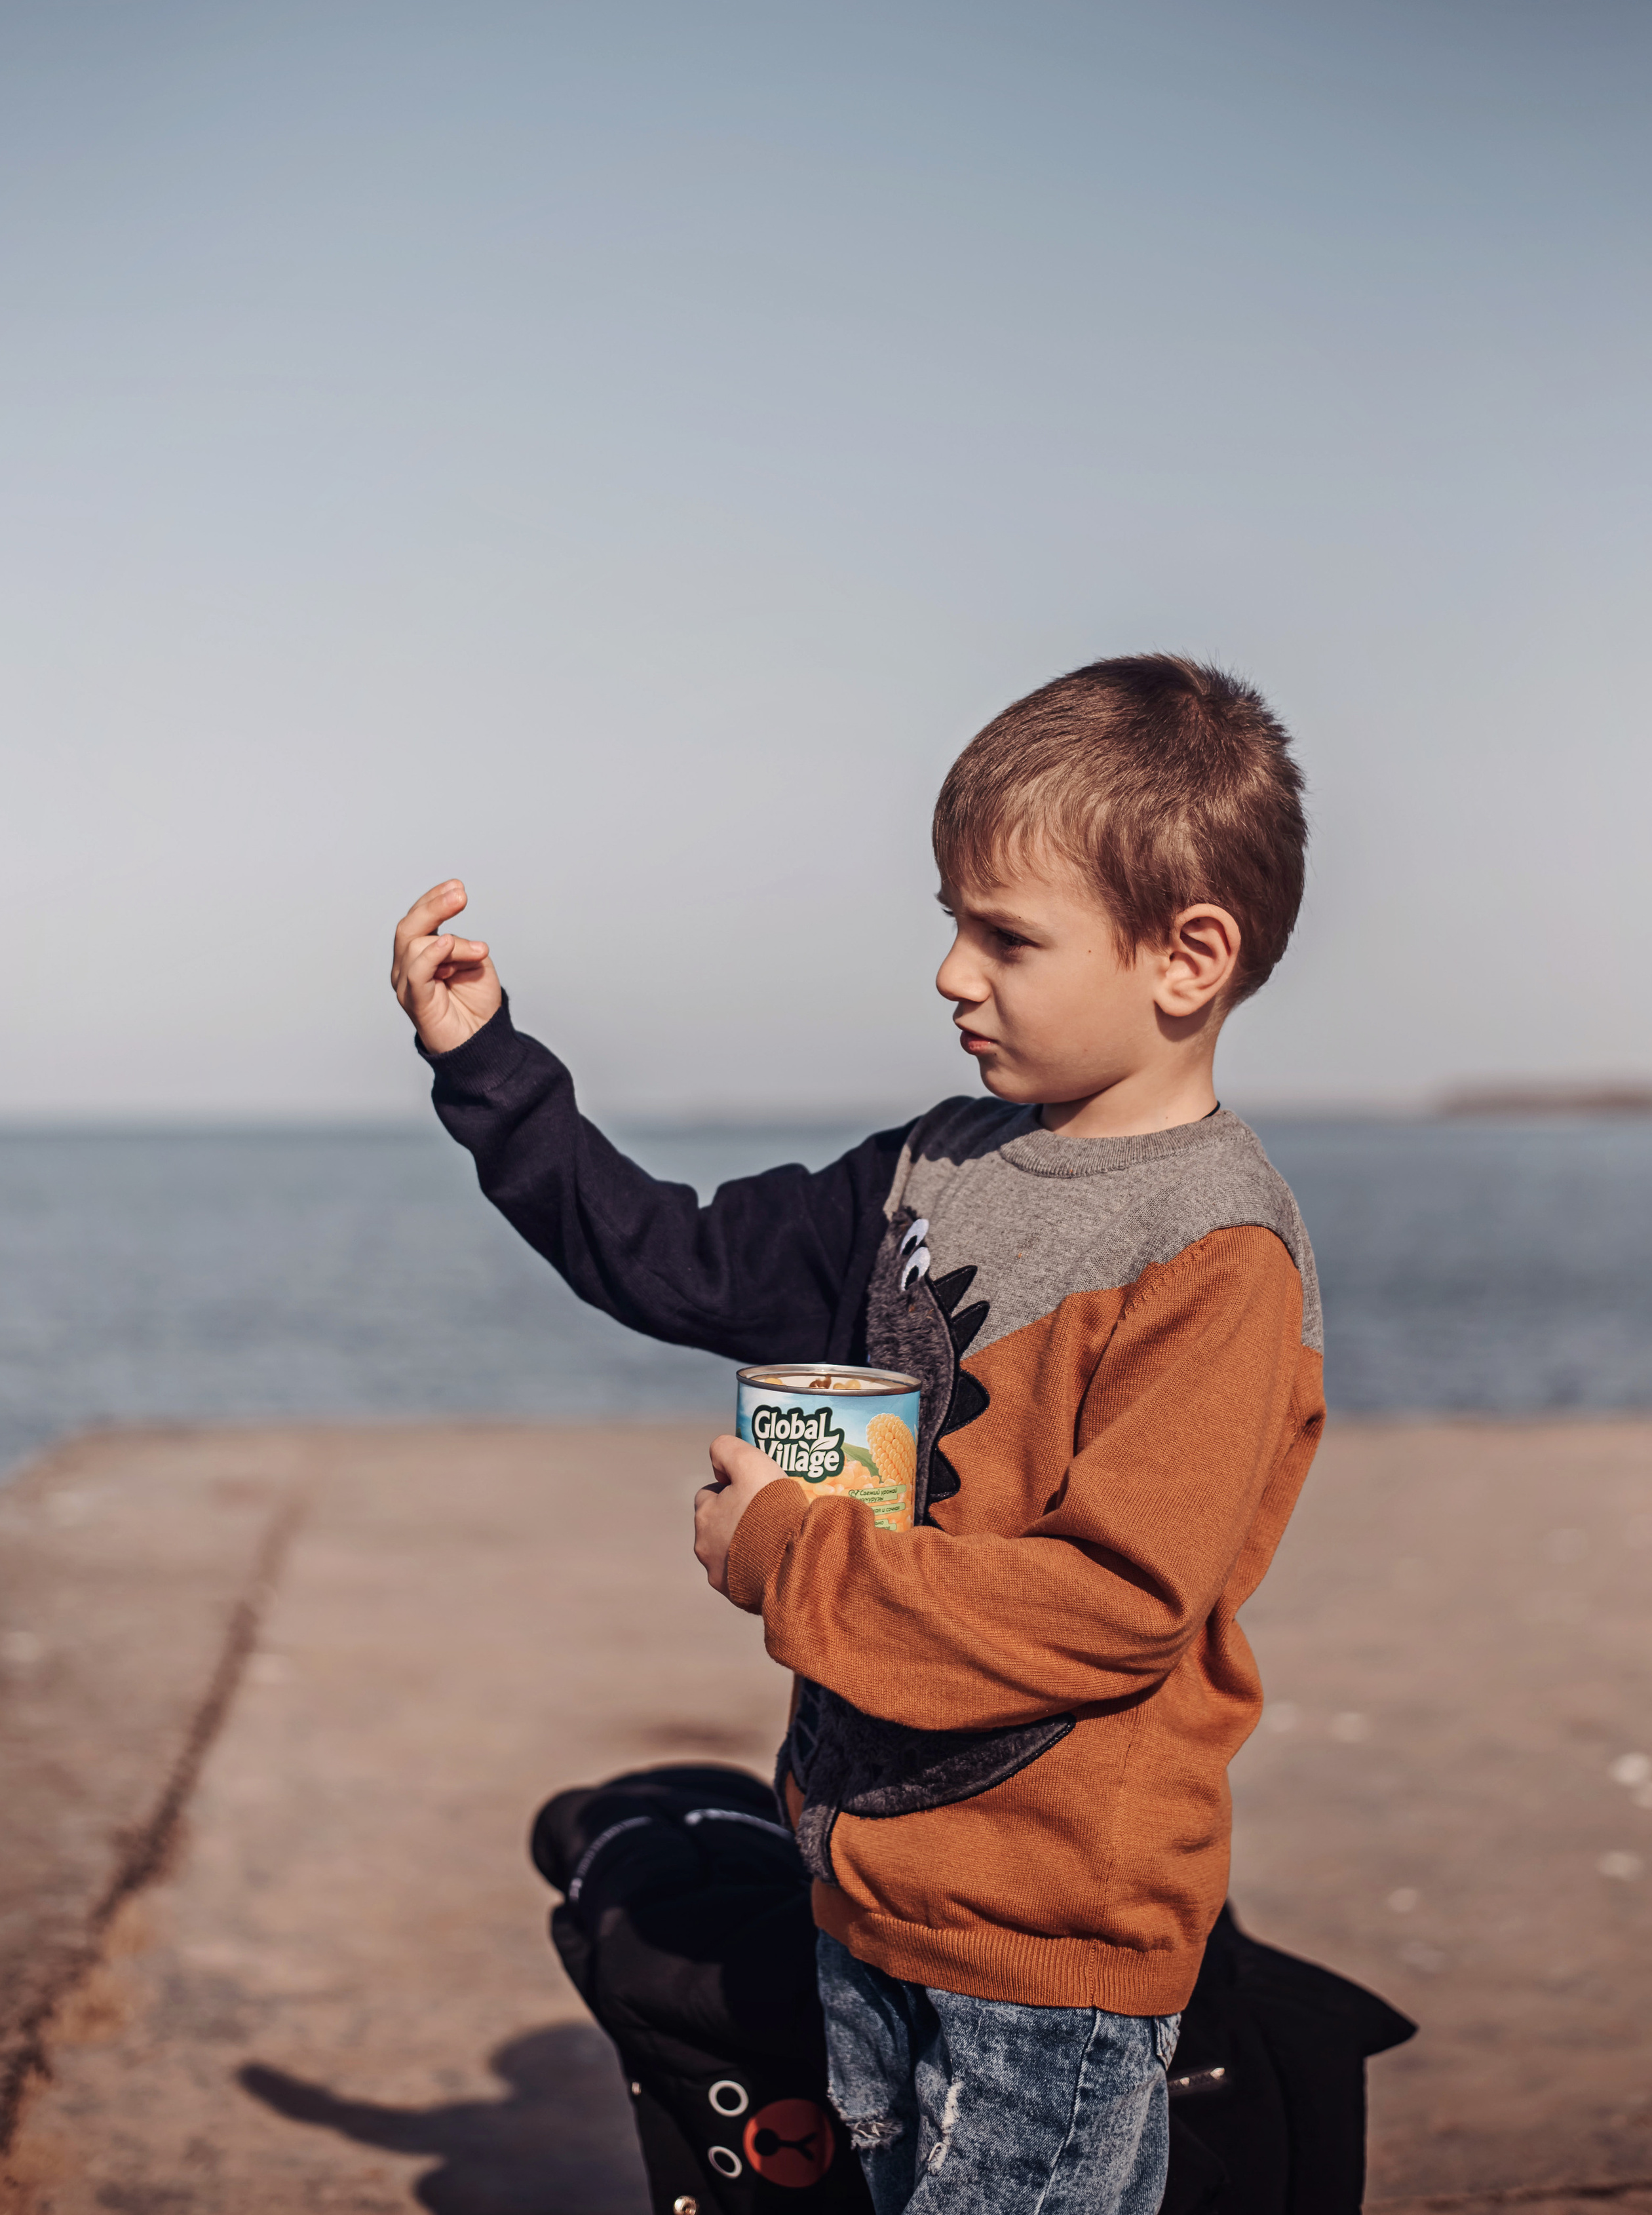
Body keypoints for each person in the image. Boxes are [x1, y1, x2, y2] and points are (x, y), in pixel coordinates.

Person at [390, 654, 1322, 2215]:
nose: (951, 973)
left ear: (1186, 958)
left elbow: (1109, 1608)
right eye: (951, 922)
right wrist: (487, 1071)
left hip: (1046, 1949)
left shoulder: (1213, 1255)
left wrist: (783, 1553)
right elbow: (677, 1259)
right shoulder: (929, 1170)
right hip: (863, 1889)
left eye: (1005, 937)